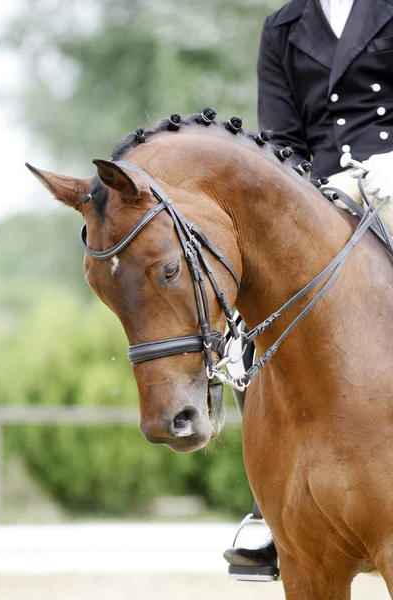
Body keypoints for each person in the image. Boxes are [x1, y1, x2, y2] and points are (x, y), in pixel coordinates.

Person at [223, 0, 393, 582]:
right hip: (321, 193)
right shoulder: (284, 25)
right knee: (254, 323)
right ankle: (269, 506)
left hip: (392, 176)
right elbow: (280, 138)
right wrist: (304, 197)